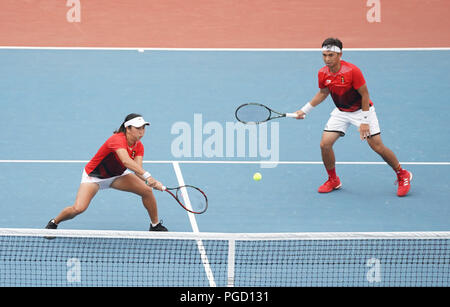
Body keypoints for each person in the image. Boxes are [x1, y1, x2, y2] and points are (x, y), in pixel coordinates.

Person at [294, 38, 412, 197]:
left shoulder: (352, 71)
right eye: (324, 55)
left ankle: (402, 174)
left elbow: (365, 94)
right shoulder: (322, 73)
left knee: (377, 146)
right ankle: (333, 179)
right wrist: (305, 110)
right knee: (325, 144)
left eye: (331, 55)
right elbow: (323, 93)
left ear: (340, 54)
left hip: (362, 111)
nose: (327, 59)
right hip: (341, 112)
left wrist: (364, 121)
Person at [45, 113, 168, 231]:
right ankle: (54, 222)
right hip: (95, 177)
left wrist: (151, 182)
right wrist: (148, 177)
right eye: (138, 128)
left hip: (117, 176)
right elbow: (126, 161)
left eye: (143, 128)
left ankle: (155, 225)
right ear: (128, 128)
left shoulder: (139, 146)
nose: (141, 132)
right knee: (78, 208)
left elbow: (137, 169)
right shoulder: (117, 139)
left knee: (147, 191)